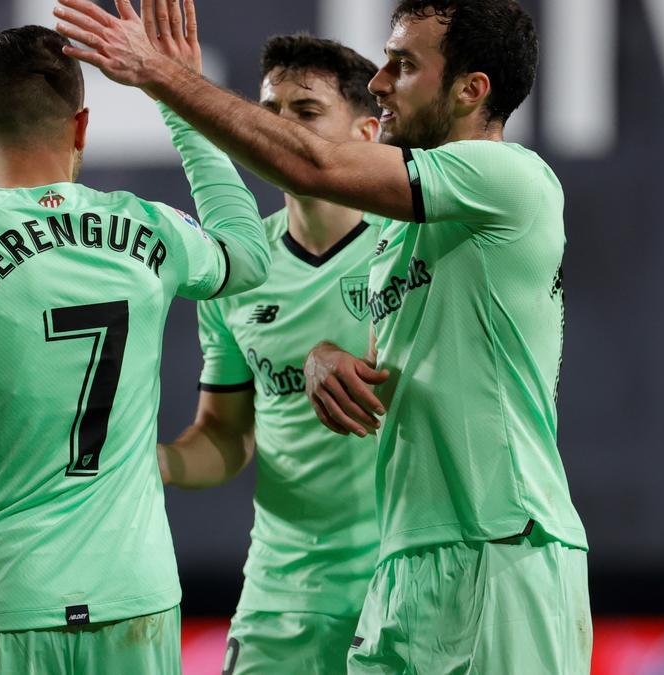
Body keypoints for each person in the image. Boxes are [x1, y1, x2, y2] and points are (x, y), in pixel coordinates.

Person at [56, 0, 591, 672]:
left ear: (469, 89)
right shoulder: (400, 237)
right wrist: (323, 360)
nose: (380, 81)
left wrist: (166, 80)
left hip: (498, 544)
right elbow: (409, 371)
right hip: (406, 563)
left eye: (403, 65)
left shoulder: (510, 179)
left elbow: (314, 167)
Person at [0, 23, 270, 675]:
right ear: (81, 125)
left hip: (5, 602)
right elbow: (248, 257)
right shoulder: (149, 228)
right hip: (134, 601)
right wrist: (180, 100)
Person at [158, 34, 381, 675]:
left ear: (369, 132)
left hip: (405, 589)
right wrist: (154, 464)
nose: (276, 128)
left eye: (305, 112)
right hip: (282, 597)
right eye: (269, 109)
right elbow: (225, 436)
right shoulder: (238, 265)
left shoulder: (414, 249)